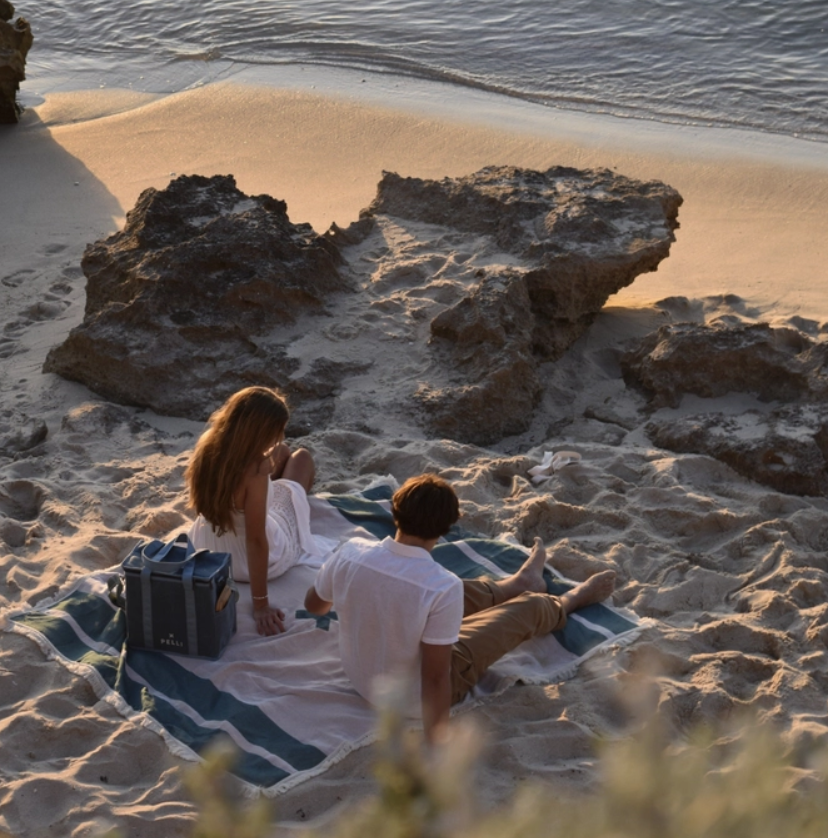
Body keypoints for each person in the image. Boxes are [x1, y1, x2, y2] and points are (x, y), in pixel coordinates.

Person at [304, 473, 616, 742]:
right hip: (409, 698)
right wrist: (436, 745)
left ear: (395, 510)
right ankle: (569, 599)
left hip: (361, 678)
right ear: (446, 528)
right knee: (528, 609)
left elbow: (315, 606)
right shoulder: (440, 585)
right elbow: (437, 677)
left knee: (432, 593)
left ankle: (516, 585)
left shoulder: (351, 552)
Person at [186, 386, 321, 636]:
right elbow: (257, 540)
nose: (280, 435)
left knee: (281, 453)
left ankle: (280, 480)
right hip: (248, 563)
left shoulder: (206, 449)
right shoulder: (255, 471)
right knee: (301, 458)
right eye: (276, 430)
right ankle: (293, 484)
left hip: (209, 550)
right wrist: (261, 604)